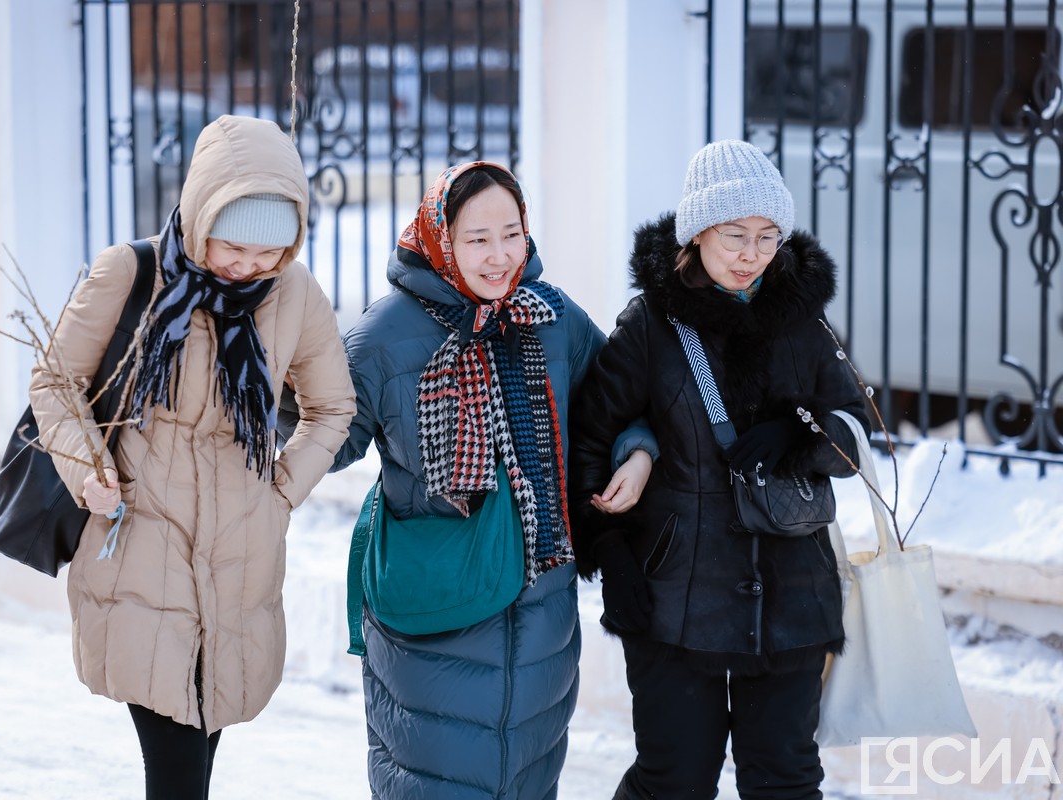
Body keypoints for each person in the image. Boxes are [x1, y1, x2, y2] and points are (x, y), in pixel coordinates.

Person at [28, 115, 356, 800]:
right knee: (177, 771)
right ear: (200, 208)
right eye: (231, 244)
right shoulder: (132, 274)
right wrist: (89, 470)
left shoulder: (294, 293)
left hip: (240, 568)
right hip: (142, 551)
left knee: (195, 766)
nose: (247, 266)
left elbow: (332, 408)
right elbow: (54, 384)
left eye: (268, 252)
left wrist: (280, 494)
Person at [330, 161, 656, 798]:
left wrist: (637, 453)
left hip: (542, 622)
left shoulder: (552, 318)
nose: (499, 256)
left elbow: (618, 406)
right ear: (440, 238)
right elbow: (322, 440)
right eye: (477, 239)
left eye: (512, 233)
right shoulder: (384, 336)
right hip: (434, 622)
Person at [569, 139, 868, 800]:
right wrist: (611, 552)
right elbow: (593, 435)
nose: (750, 253)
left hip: (793, 596)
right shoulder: (650, 324)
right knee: (672, 779)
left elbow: (855, 435)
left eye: (767, 236)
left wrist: (797, 431)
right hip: (675, 598)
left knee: (785, 780)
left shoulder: (803, 323)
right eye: (734, 234)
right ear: (697, 233)